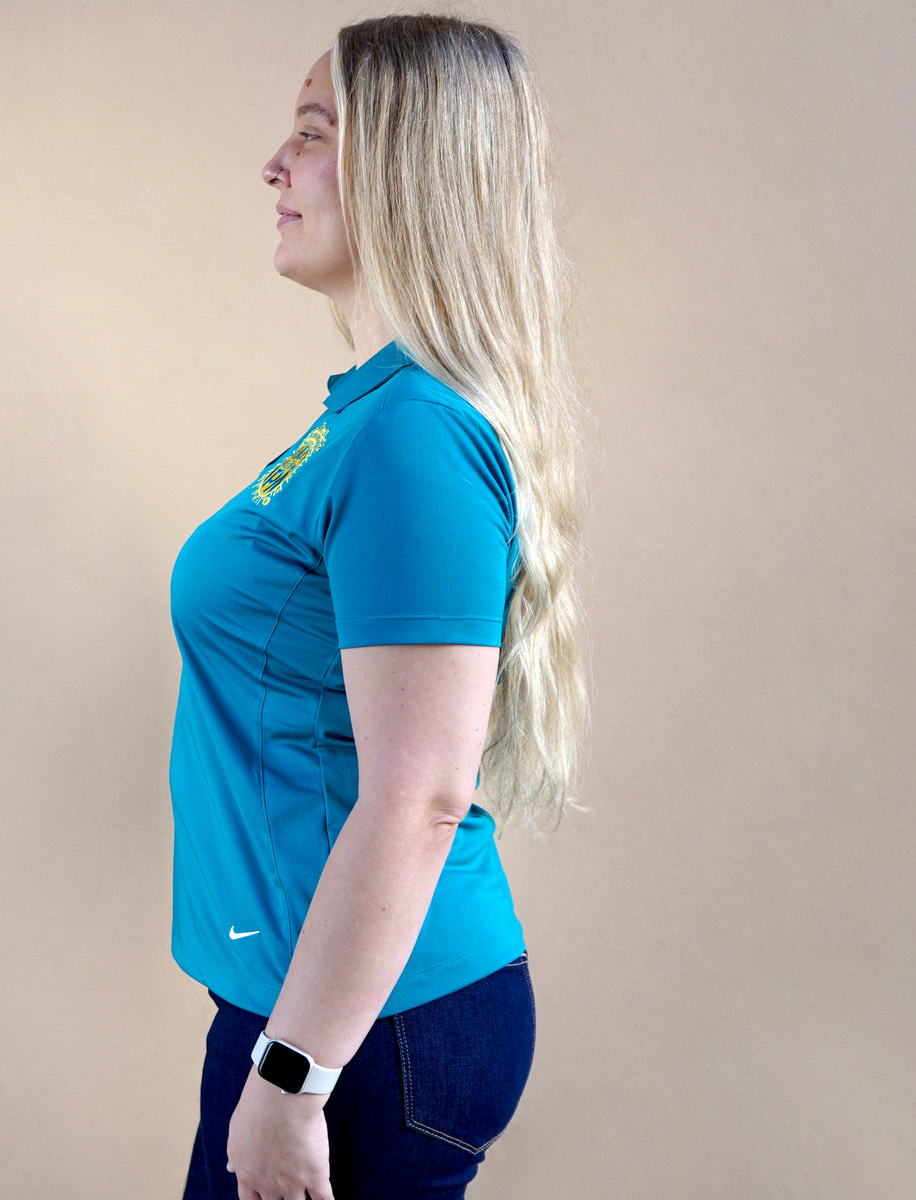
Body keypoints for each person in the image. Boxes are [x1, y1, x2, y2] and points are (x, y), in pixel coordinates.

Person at [169, 13, 587, 1199]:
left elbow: (420, 794)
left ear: (405, 169)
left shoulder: (411, 438)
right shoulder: (370, 415)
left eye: (313, 133)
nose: (274, 166)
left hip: (360, 1033)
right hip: (316, 1006)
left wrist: (294, 1073)